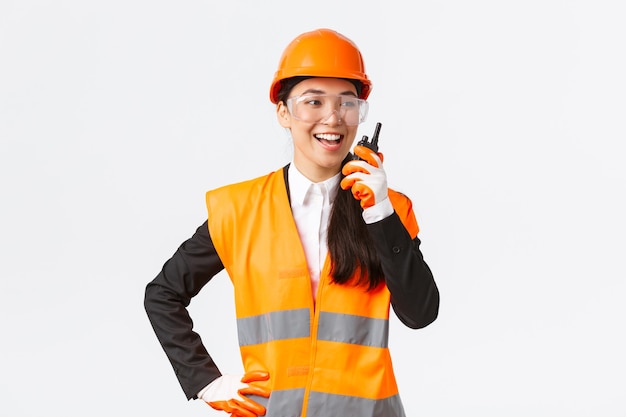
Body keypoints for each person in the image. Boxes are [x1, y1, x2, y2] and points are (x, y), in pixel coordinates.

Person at [144, 28, 439, 417]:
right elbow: (162, 294)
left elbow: (420, 313)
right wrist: (204, 380)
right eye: (313, 102)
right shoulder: (239, 209)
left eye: (347, 103)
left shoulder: (389, 209)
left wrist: (380, 212)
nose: (333, 117)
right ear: (284, 112)